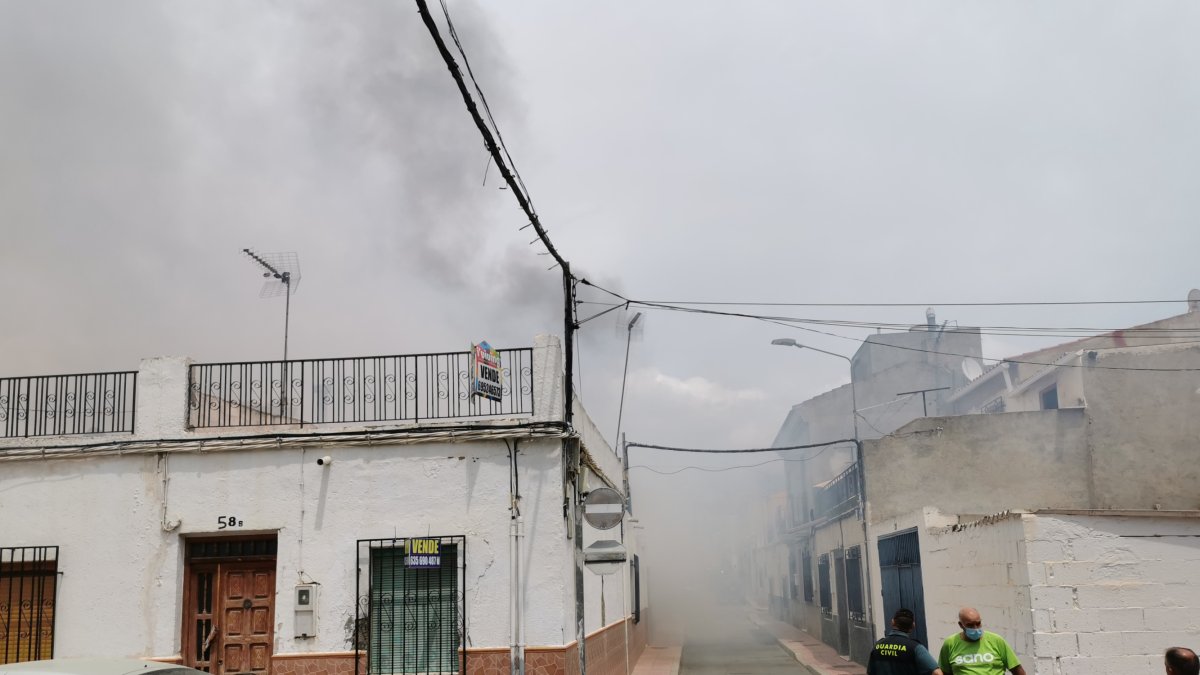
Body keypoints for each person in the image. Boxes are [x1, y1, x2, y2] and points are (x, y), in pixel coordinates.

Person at [937, 607, 1025, 675]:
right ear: (961, 625)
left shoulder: (996, 641)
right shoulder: (950, 643)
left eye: (978, 623)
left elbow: (1017, 670)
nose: (975, 628)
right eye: (970, 625)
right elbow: (944, 672)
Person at [867, 608, 943, 675]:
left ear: (893, 622)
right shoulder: (915, 648)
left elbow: (870, 672)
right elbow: (937, 673)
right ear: (913, 625)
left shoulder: (877, 646)